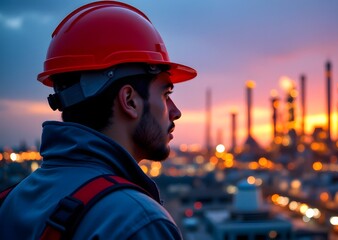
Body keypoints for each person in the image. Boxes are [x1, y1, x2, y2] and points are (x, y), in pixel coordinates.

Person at [0, 1, 196, 239]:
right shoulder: (140, 223)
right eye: (166, 94)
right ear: (130, 101)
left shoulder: (10, 202)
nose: (176, 112)